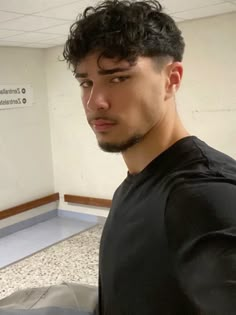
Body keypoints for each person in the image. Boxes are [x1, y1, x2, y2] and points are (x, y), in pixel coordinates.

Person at [63, 1, 236, 314]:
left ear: (171, 79)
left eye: (118, 78)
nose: (94, 101)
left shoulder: (205, 198)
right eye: (86, 82)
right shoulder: (139, 179)